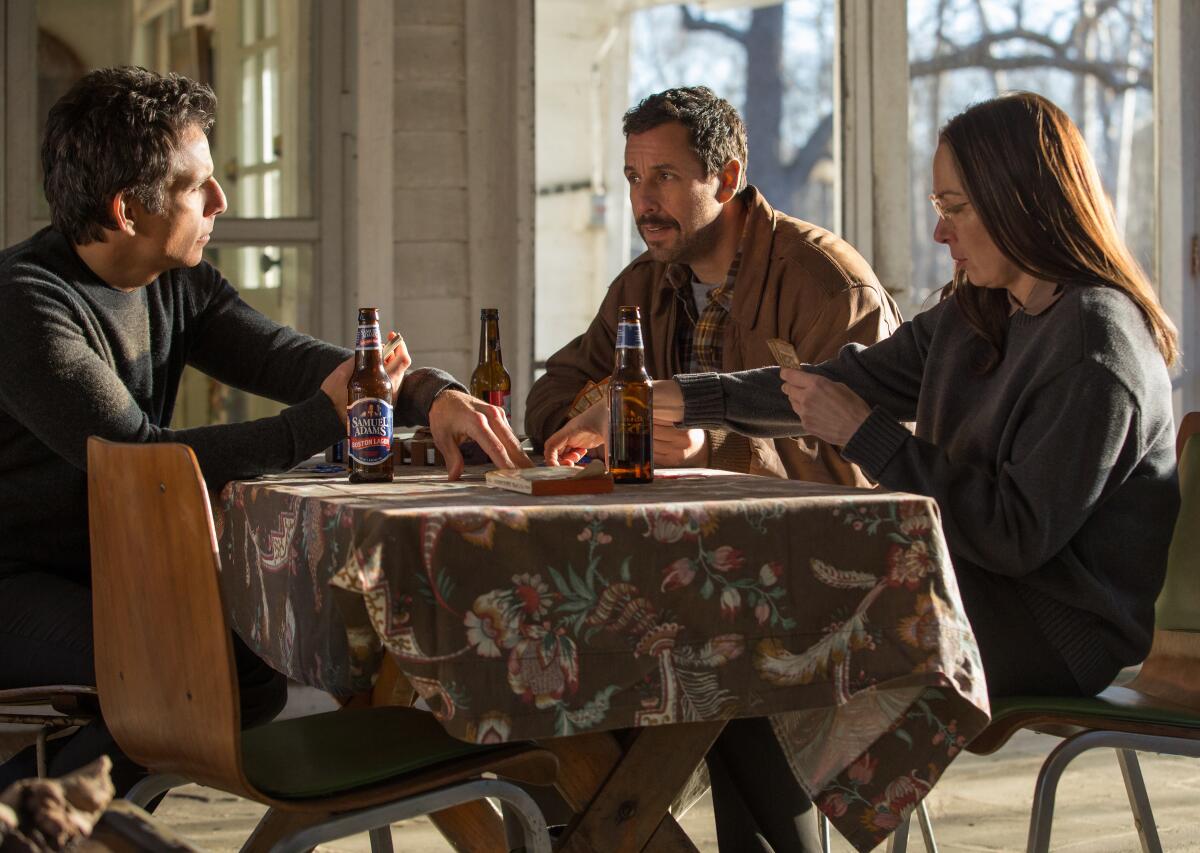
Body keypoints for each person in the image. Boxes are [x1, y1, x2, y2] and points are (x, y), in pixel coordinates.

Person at [546, 91, 1180, 852]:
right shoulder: (981, 310)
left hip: (1053, 626)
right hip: (960, 585)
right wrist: (669, 398)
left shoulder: (1094, 347)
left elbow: (1014, 537)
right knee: (728, 648)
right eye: (938, 206)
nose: (940, 230)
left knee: (750, 655)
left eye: (955, 207)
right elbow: (834, 381)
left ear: (1021, 201)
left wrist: (866, 435)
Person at [0, 67, 530, 794]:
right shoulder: (25, 305)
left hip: (102, 573)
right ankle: (34, 822)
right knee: (190, 669)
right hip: (13, 582)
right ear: (128, 210)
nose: (221, 200)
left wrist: (432, 395)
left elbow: (292, 359)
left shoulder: (173, 281)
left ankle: (60, 817)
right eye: (197, 186)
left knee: (248, 671)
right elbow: (139, 457)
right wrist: (325, 417)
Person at [525, 86, 899, 486]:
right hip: (671, 519)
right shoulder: (642, 284)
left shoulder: (830, 286)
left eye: (664, 176)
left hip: (800, 527)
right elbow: (552, 393)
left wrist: (713, 449)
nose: (643, 201)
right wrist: (610, 429)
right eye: (634, 178)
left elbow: (869, 463)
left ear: (727, 180)